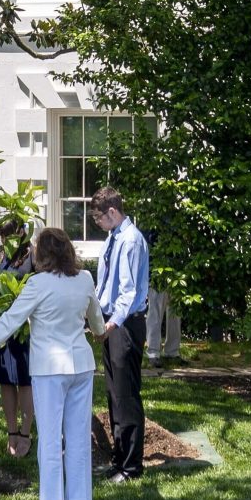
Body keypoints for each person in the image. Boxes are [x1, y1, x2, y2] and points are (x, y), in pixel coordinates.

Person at [0, 225, 102, 500]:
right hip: (82, 365)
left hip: (50, 368)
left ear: (44, 254)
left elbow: (9, 321)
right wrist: (101, 333)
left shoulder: (37, 284)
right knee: (76, 436)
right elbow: (97, 321)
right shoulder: (85, 279)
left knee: (49, 437)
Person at [93, 187, 150, 481]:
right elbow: (103, 286)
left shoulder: (130, 241)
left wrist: (112, 324)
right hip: (110, 322)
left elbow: (128, 292)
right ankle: (118, 459)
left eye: (99, 217)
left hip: (125, 324)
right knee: (113, 394)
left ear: (113, 212)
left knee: (126, 396)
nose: (97, 223)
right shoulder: (112, 239)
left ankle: (131, 466)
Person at [0, 217, 36, 457]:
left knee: (26, 381)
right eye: (4, 236)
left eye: (13, 235)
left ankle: (26, 432)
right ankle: (12, 431)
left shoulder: (33, 255)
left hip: (26, 328)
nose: (7, 240)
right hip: (3, 326)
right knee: (6, 380)